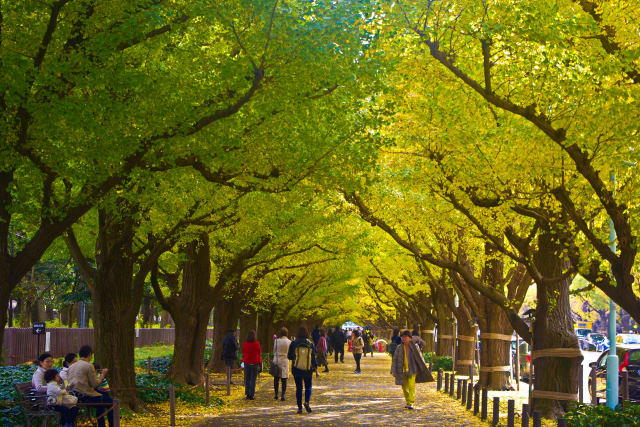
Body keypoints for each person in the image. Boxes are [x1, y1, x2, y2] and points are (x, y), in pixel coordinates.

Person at [68, 345, 113, 427]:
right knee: (112, 403)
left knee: (101, 403)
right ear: (90, 355)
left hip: (74, 396)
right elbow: (94, 384)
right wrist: (102, 375)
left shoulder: (71, 366)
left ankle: (101, 425)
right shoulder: (89, 366)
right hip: (86, 396)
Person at [390, 330, 434, 409]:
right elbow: (395, 359)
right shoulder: (399, 348)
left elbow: (420, 357)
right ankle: (408, 401)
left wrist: (423, 367)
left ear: (410, 338)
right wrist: (393, 370)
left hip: (413, 369)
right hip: (402, 370)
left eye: (405, 337)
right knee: (404, 387)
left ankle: (411, 402)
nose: (404, 339)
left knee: (411, 385)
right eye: (402, 337)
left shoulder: (415, 346)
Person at [33, 353, 79, 426]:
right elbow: (39, 388)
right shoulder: (39, 373)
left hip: (56, 398)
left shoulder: (49, 373)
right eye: (47, 361)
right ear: (41, 362)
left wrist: (59, 388)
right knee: (65, 408)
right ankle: (66, 424)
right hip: (45, 401)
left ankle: (70, 424)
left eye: (51, 361)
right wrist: (52, 388)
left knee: (74, 408)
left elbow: (58, 387)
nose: (50, 364)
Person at [288, 326, 318, 414]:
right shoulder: (310, 344)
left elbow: (289, 356)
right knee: (308, 386)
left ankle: (299, 408)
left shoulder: (293, 343)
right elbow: (313, 358)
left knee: (299, 388)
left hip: (296, 368)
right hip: (308, 369)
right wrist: (316, 368)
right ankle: (307, 402)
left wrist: (296, 357)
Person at [272, 327, 291, 401]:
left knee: (276, 378)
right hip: (285, 360)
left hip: (277, 360)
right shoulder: (289, 342)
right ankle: (283, 394)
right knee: (284, 379)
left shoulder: (276, 341)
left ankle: (276, 394)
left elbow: (274, 350)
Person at [242, 329, 262, 400]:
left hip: (247, 363)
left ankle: (247, 394)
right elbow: (259, 353)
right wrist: (260, 364)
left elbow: (244, 352)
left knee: (247, 379)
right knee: (253, 379)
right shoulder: (257, 344)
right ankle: (252, 395)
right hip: (255, 363)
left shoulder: (245, 344)